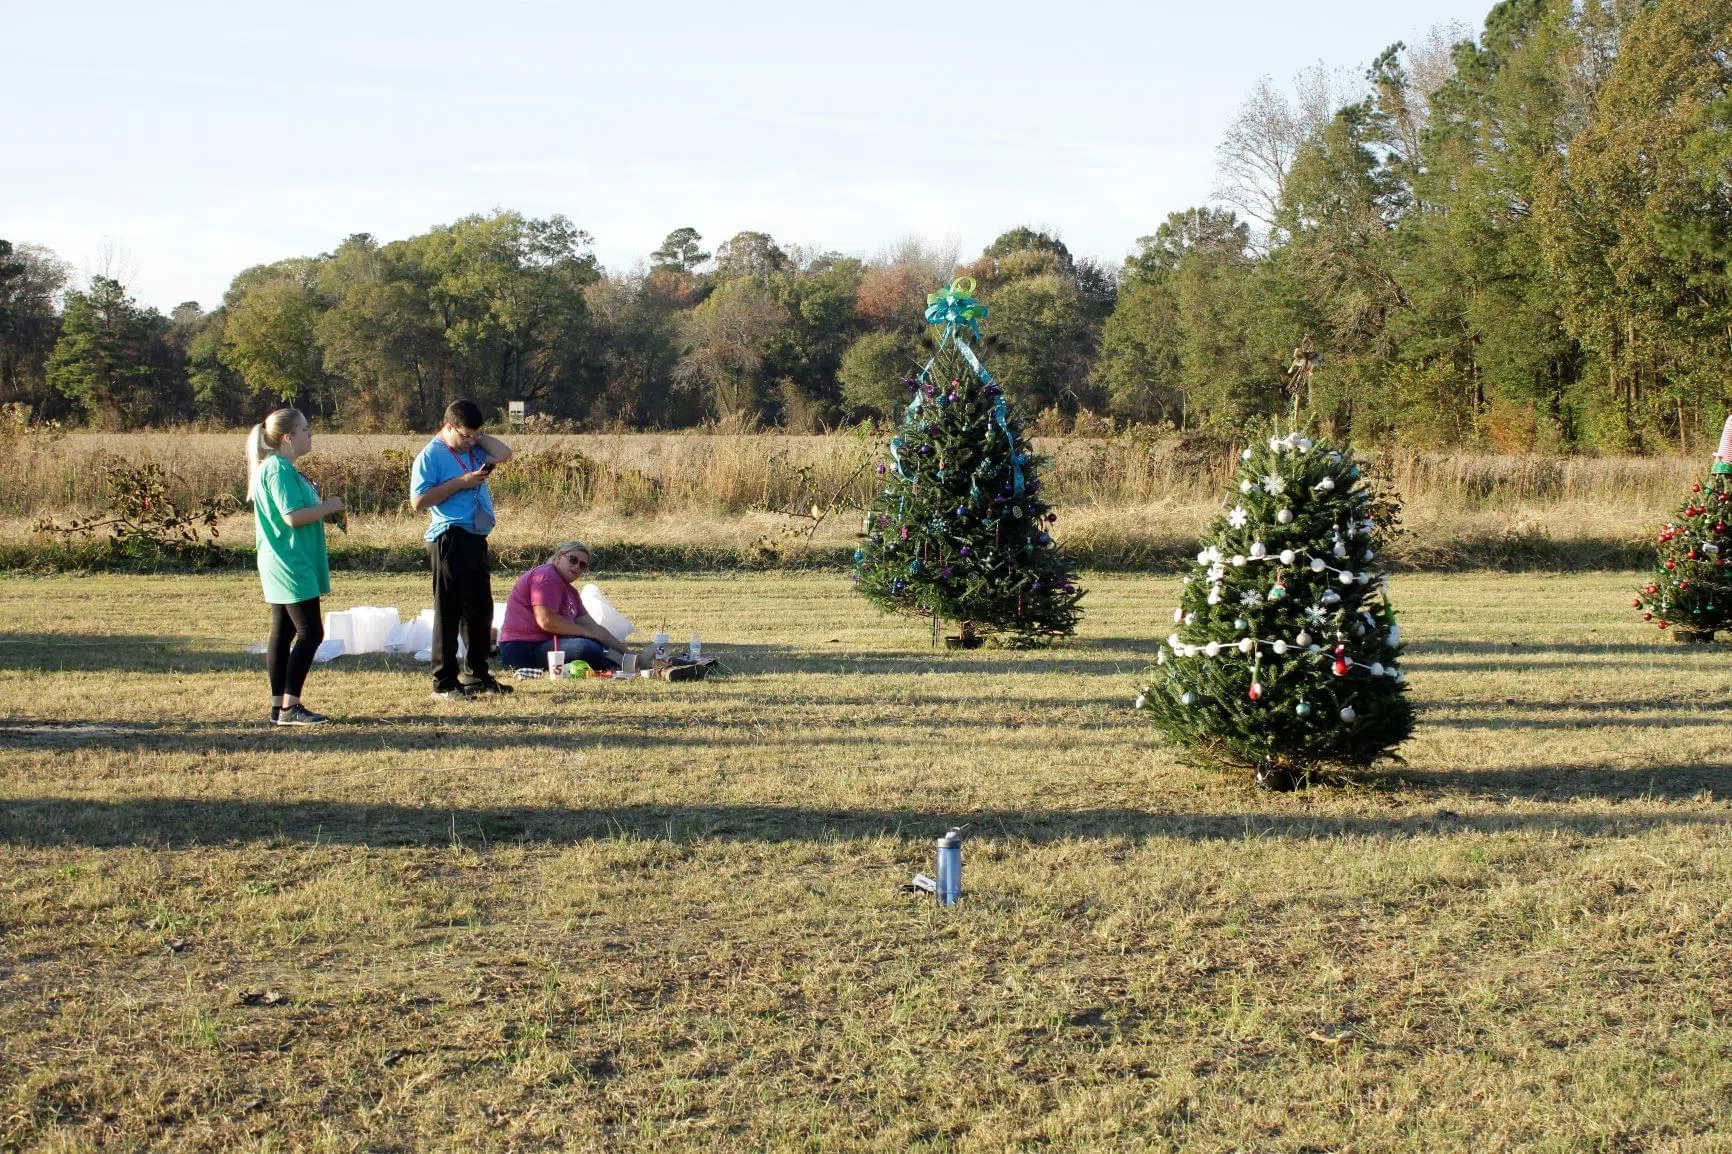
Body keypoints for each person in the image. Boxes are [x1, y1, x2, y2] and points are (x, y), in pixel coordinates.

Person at [246, 407, 345, 726]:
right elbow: (292, 516)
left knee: (285, 631)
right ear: (288, 437)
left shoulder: (281, 467)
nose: (310, 434)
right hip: (289, 561)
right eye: (305, 430)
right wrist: (326, 507)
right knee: (310, 632)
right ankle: (291, 707)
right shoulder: (277, 469)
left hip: (285, 558)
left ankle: (280, 707)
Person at [411, 399, 514, 699]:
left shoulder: (475, 446)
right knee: (449, 611)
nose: (470, 442)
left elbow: (505, 453)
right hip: (448, 536)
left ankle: (476, 674)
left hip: (475, 534)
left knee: (480, 609)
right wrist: (461, 482)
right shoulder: (430, 456)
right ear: (447, 427)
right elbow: (418, 502)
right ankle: (443, 682)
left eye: (475, 435)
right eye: (465, 435)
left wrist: (478, 437)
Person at [497, 542, 631, 673]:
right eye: (573, 560)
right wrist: (585, 632)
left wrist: (626, 651)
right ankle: (614, 664)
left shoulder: (571, 591)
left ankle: (623, 661)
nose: (577, 566)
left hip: (547, 645)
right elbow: (547, 621)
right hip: (523, 649)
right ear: (559, 557)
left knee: (592, 644)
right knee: (585, 647)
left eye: (583, 565)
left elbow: (593, 627)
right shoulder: (546, 576)